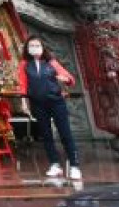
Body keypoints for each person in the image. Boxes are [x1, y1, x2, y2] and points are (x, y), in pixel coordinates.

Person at [18, 35, 81, 180]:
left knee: (65, 134)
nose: (34, 48)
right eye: (31, 46)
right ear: (27, 48)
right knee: (46, 135)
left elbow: (69, 78)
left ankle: (74, 166)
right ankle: (54, 165)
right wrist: (23, 103)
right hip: (38, 104)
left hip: (56, 102)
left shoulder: (51, 62)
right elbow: (22, 85)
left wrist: (65, 79)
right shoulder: (24, 64)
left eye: (37, 45)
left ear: (42, 47)